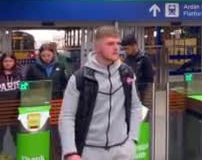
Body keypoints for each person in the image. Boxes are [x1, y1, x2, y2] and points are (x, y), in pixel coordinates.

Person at [59, 26, 142, 160]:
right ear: (97, 47)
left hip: (122, 151)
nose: (116, 48)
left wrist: (132, 140)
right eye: (110, 43)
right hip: (90, 151)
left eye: (117, 43)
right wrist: (70, 152)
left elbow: (135, 106)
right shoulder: (80, 78)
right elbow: (67, 116)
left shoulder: (126, 73)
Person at [121, 34, 155, 103]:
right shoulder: (127, 58)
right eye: (124, 49)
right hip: (130, 92)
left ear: (134, 45)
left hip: (143, 93)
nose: (125, 51)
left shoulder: (145, 58)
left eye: (127, 48)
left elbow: (150, 79)